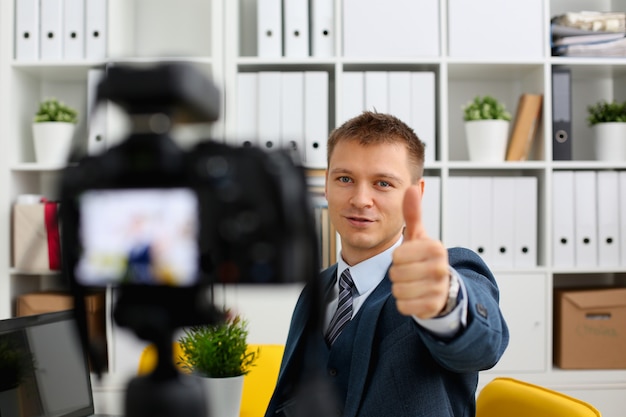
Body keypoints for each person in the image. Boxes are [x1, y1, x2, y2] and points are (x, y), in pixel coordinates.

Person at [264, 111, 509, 417]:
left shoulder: (443, 274)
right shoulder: (316, 290)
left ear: (415, 195)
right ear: (326, 185)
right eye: (344, 179)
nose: (360, 199)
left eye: (382, 183)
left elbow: (483, 345)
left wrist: (444, 303)